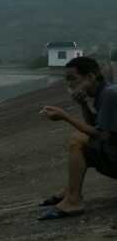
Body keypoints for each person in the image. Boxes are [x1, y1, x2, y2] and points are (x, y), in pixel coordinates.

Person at [39, 56, 117, 220]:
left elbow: (101, 135)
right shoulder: (103, 92)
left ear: (90, 77)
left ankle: (73, 201)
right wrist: (82, 104)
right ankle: (69, 191)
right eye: (66, 80)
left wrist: (65, 117)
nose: (69, 84)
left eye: (72, 79)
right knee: (81, 137)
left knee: (78, 142)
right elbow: (96, 126)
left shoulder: (110, 94)